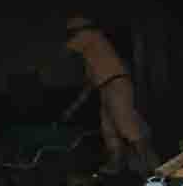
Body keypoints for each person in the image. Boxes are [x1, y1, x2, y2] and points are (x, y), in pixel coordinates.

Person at [64, 16, 158, 174]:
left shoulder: (91, 36)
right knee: (110, 130)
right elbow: (89, 86)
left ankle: (151, 169)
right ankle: (116, 166)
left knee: (127, 127)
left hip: (116, 85)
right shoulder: (92, 57)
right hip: (107, 88)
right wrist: (71, 109)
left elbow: (66, 50)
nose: (72, 37)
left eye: (71, 33)